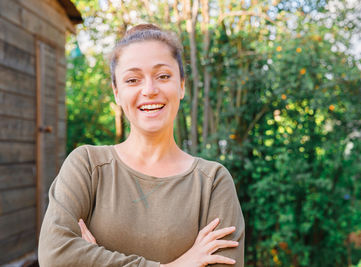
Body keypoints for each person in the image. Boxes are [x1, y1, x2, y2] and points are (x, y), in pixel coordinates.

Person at [38, 24, 245, 267]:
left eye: (163, 76)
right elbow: (54, 255)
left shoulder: (213, 182)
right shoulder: (87, 166)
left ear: (182, 85)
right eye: (133, 79)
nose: (149, 90)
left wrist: (91, 259)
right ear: (117, 92)